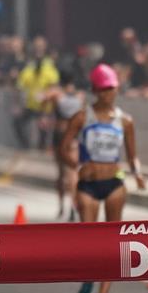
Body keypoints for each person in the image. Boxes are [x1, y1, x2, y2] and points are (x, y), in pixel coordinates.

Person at [61, 64, 145, 293]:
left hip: (114, 184)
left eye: (112, 88)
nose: (109, 93)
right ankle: (88, 277)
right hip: (88, 184)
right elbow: (64, 147)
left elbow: (132, 155)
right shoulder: (81, 117)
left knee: (113, 243)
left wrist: (138, 174)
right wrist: (75, 165)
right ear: (95, 90)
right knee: (90, 241)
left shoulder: (125, 121)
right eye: (104, 88)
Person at [48, 71, 85, 220]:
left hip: (59, 134)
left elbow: (41, 101)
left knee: (60, 172)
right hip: (74, 135)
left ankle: (61, 206)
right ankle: (72, 206)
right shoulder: (80, 96)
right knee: (73, 172)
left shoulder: (56, 95)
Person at [15, 36, 59, 150]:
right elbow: (20, 84)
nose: (38, 48)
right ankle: (26, 146)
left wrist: (46, 99)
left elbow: (54, 85)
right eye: (36, 45)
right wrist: (18, 104)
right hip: (31, 105)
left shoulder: (50, 64)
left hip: (44, 107)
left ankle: (42, 150)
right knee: (18, 122)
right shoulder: (29, 64)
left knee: (43, 131)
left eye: (40, 45)